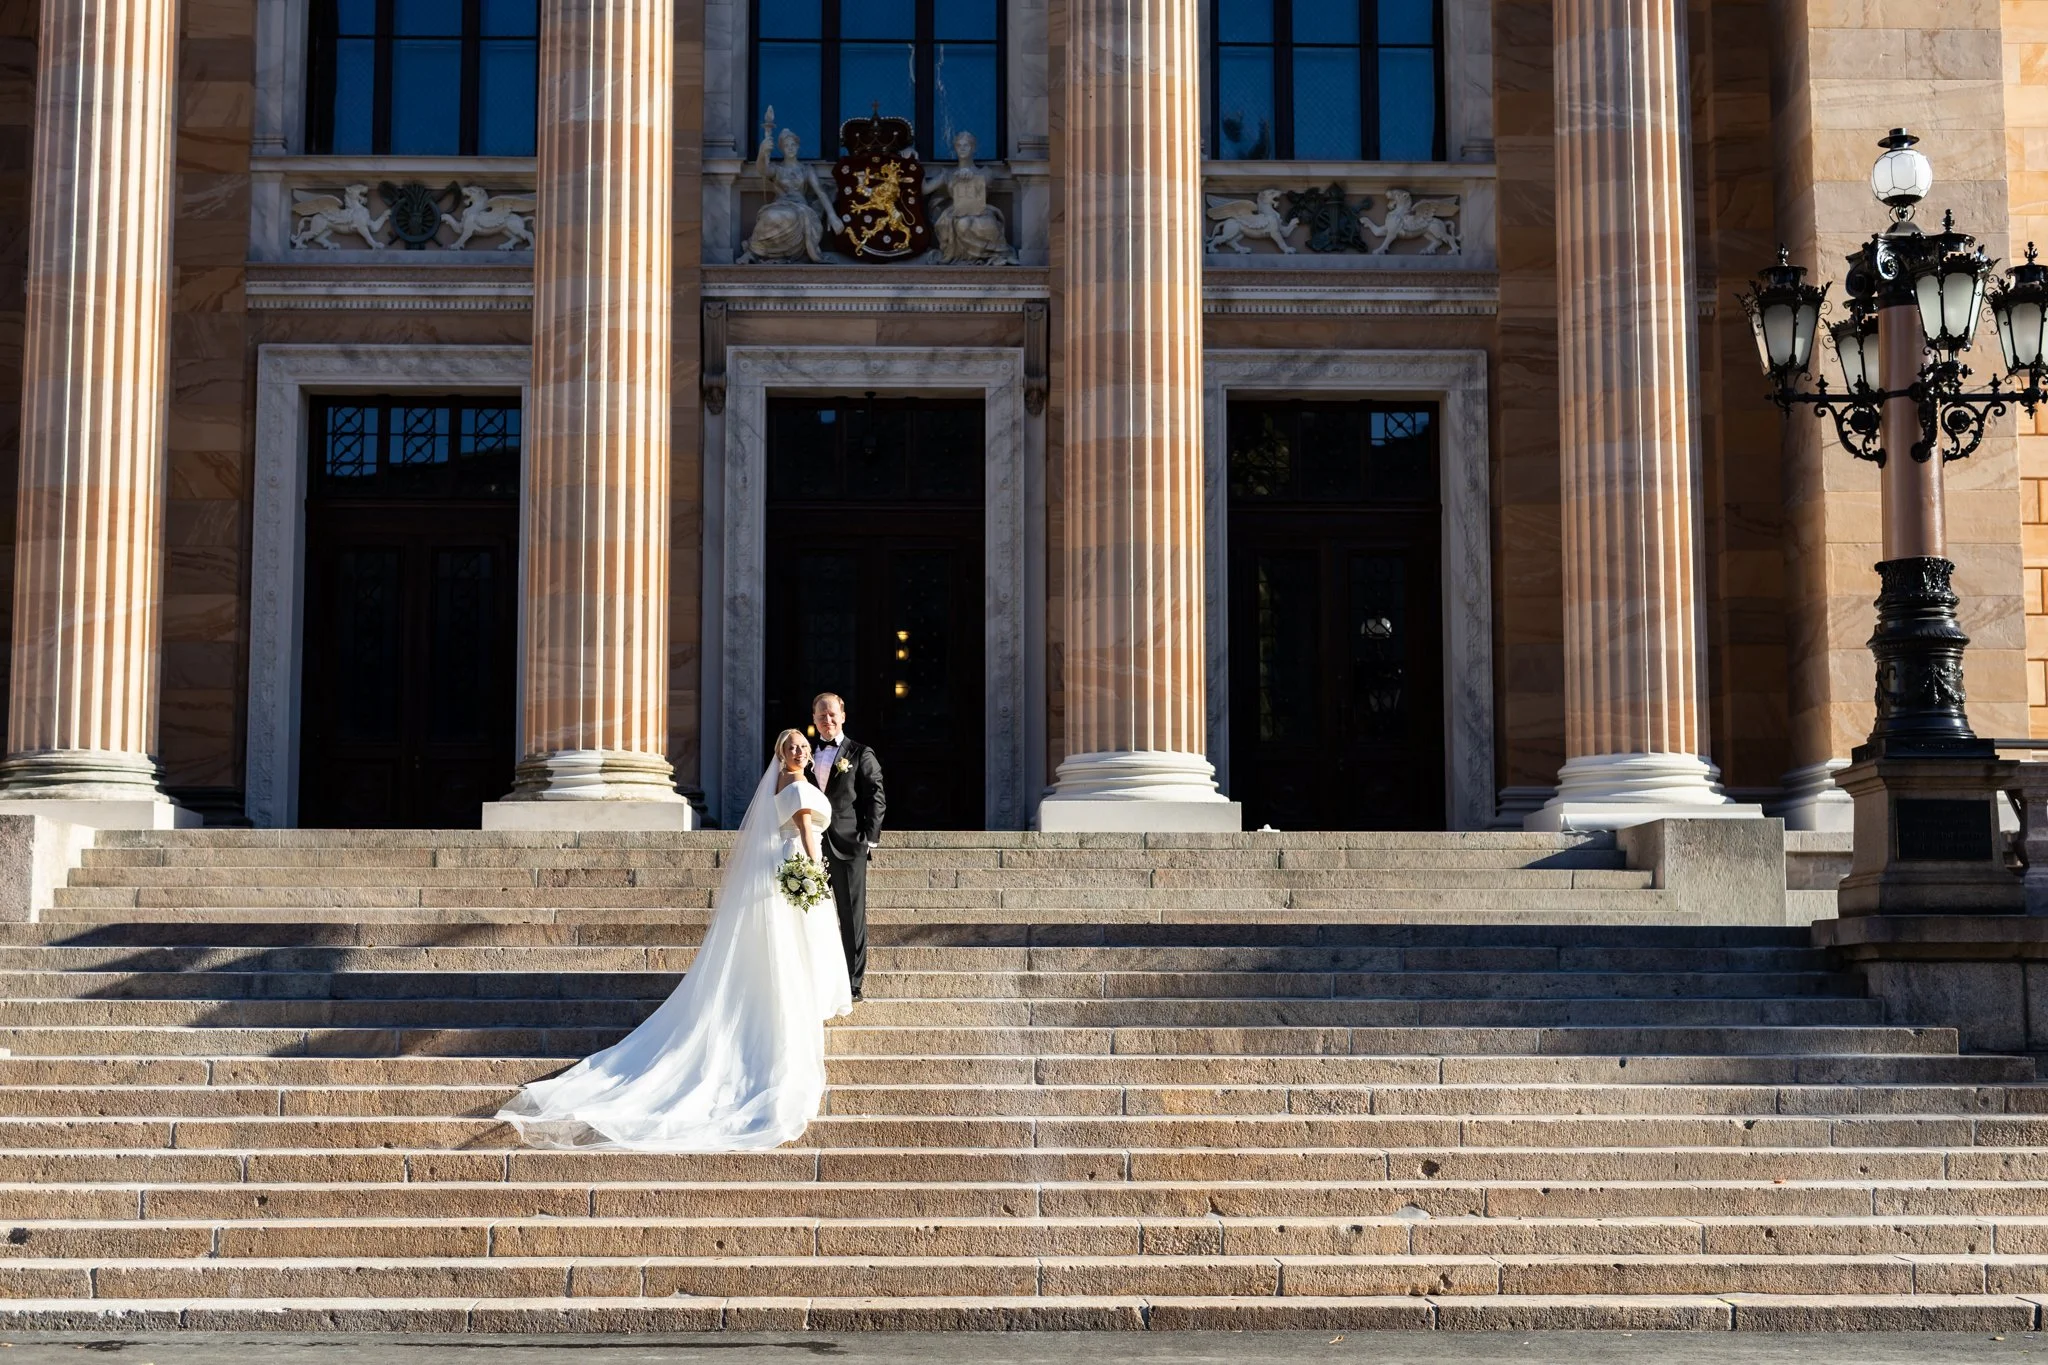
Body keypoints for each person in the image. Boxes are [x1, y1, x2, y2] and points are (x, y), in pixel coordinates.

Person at [496, 729, 852, 1150]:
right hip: (794, 867)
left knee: (779, 943)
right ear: (781, 753)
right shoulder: (795, 786)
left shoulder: (781, 782)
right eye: (791, 747)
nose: (798, 752)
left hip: (774, 872)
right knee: (790, 944)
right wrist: (815, 870)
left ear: (808, 755)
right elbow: (807, 831)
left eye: (802, 748)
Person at [809, 692, 885, 1001]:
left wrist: (869, 838)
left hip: (849, 845)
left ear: (843, 716)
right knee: (812, 913)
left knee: (851, 915)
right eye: (821, 716)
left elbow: (876, 795)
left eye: (832, 715)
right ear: (814, 720)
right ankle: (818, 978)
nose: (827, 720)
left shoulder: (860, 753)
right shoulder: (805, 754)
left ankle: (853, 985)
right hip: (811, 844)